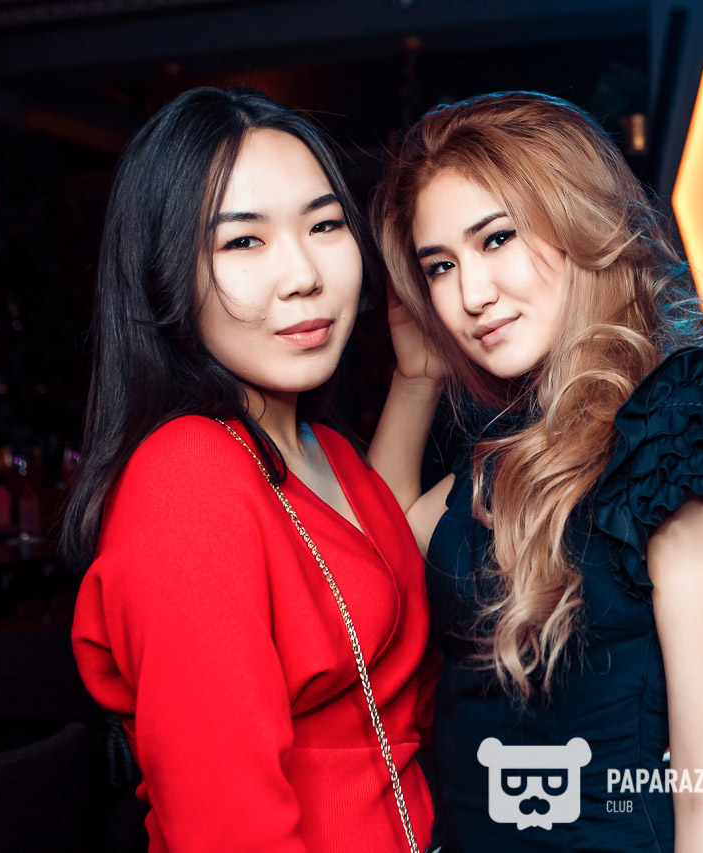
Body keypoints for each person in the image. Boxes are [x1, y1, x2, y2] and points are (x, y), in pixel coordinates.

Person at [372, 91, 703, 852]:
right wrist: (415, 378)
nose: (470, 295)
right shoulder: (512, 447)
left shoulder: (681, 423)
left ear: (577, 220)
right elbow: (373, 561)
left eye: (497, 238)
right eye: (440, 266)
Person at [64, 87, 434, 852]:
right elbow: (226, 828)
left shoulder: (324, 452)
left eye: (324, 225)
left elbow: (377, 574)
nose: (302, 273)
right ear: (166, 276)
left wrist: (421, 380)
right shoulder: (187, 478)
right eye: (243, 242)